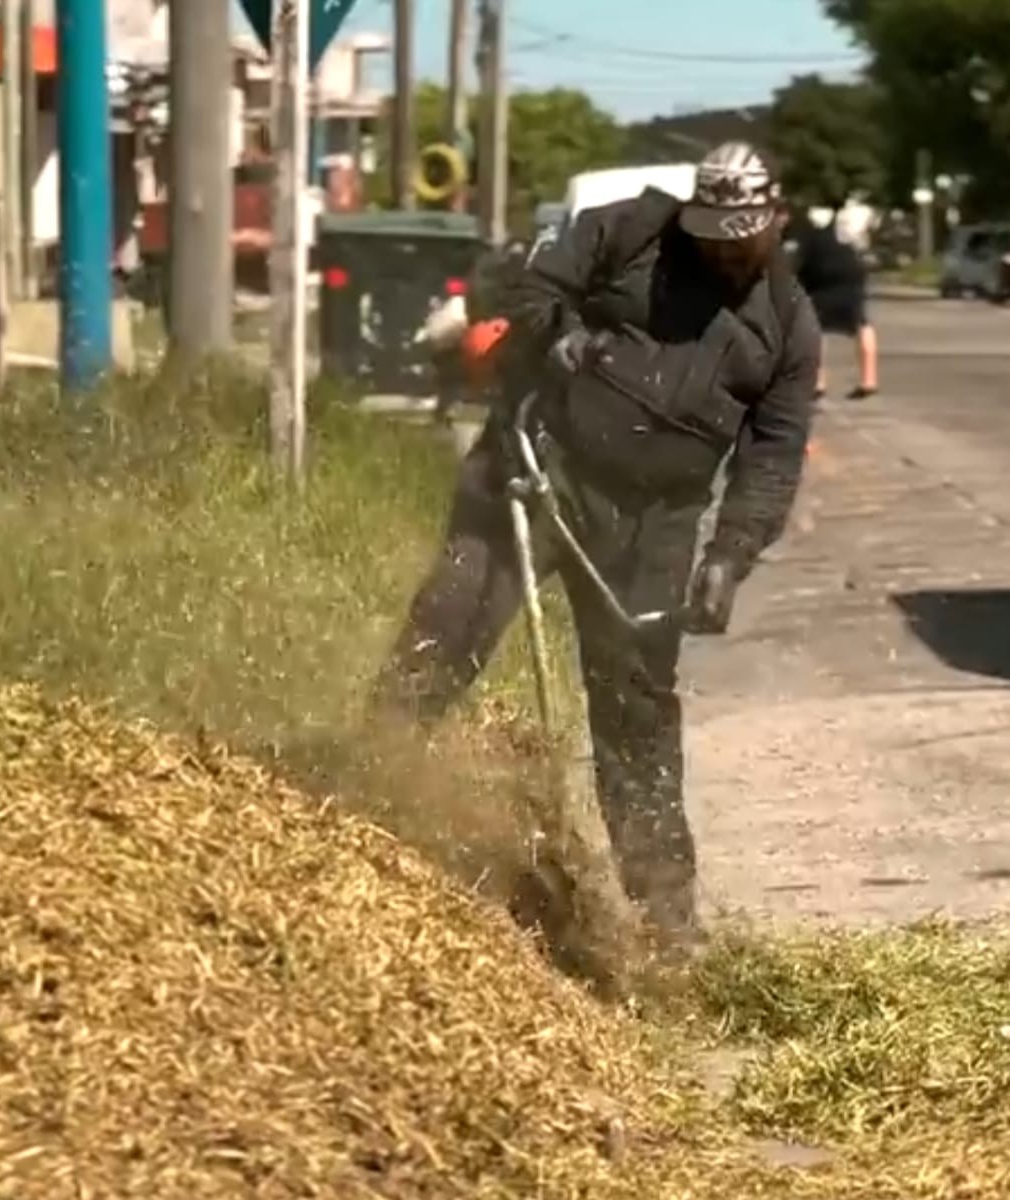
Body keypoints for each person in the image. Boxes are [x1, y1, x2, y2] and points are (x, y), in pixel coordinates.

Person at [369, 142, 820, 948]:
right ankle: (362, 788)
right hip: (541, 470)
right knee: (448, 630)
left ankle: (664, 918)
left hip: (652, 525)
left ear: (772, 223)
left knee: (636, 712)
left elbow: (774, 453)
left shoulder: (785, 324)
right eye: (713, 235)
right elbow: (528, 286)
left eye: (740, 240)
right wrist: (559, 333)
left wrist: (729, 556)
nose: (724, 252)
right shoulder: (628, 232)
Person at [794, 207, 879, 400]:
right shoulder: (854, 220)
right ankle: (869, 380)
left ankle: (818, 382)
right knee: (862, 324)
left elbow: (803, 263)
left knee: (816, 329)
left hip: (822, 279)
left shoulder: (814, 232)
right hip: (852, 275)